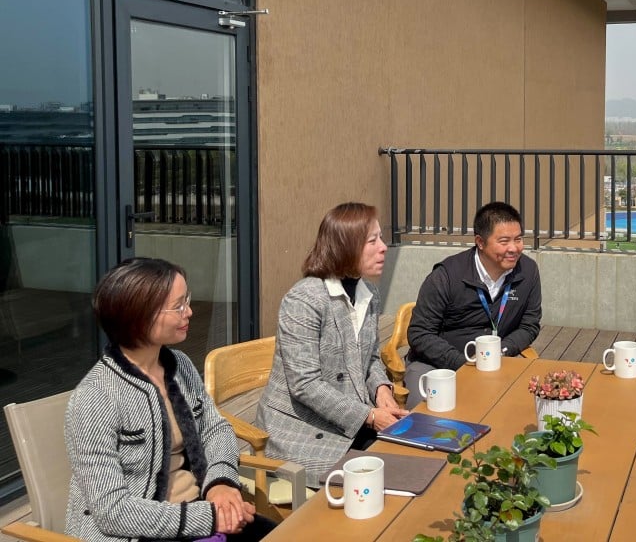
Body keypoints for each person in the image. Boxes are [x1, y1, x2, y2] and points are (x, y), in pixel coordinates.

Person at [65, 258, 275, 542]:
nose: (189, 311)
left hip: (202, 510)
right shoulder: (95, 398)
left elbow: (216, 428)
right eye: (178, 306)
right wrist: (212, 517)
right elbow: (112, 511)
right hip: (138, 533)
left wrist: (222, 483)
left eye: (186, 300)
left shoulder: (180, 366)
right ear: (140, 316)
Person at [256, 202, 407, 485]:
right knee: (383, 478)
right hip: (301, 429)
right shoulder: (304, 299)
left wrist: (383, 391)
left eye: (381, 238)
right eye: (372, 240)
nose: (383, 247)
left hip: (354, 415)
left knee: (415, 462)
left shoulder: (368, 293)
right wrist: (371, 416)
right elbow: (305, 385)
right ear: (345, 246)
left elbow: (370, 358)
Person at [404, 201, 542, 408]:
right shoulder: (446, 275)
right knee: (423, 412)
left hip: (499, 361)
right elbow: (420, 334)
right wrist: (464, 364)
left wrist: (501, 351)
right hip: (437, 364)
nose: (514, 248)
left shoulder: (528, 271)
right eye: (504, 241)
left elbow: (529, 325)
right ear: (480, 241)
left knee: (529, 404)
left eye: (519, 239)